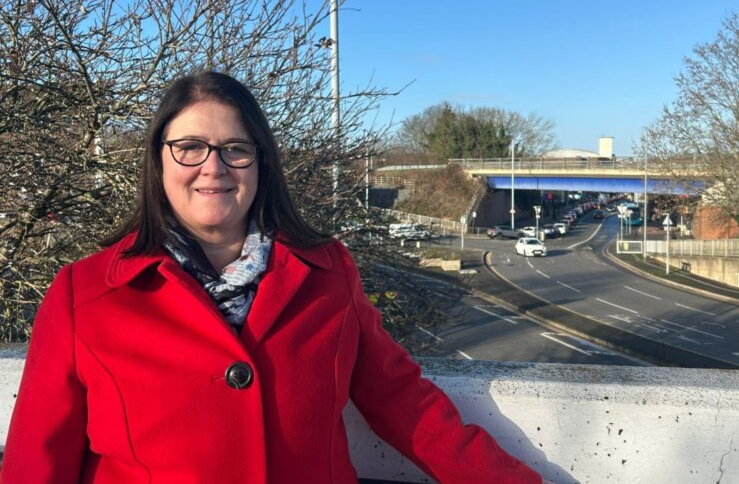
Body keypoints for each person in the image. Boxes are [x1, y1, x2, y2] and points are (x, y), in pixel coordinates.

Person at [0, 71, 544, 483]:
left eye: (235, 149)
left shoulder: (328, 273)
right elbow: (36, 460)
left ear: (261, 163)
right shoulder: (86, 294)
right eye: (189, 147)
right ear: (158, 160)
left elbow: (403, 402)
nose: (213, 167)